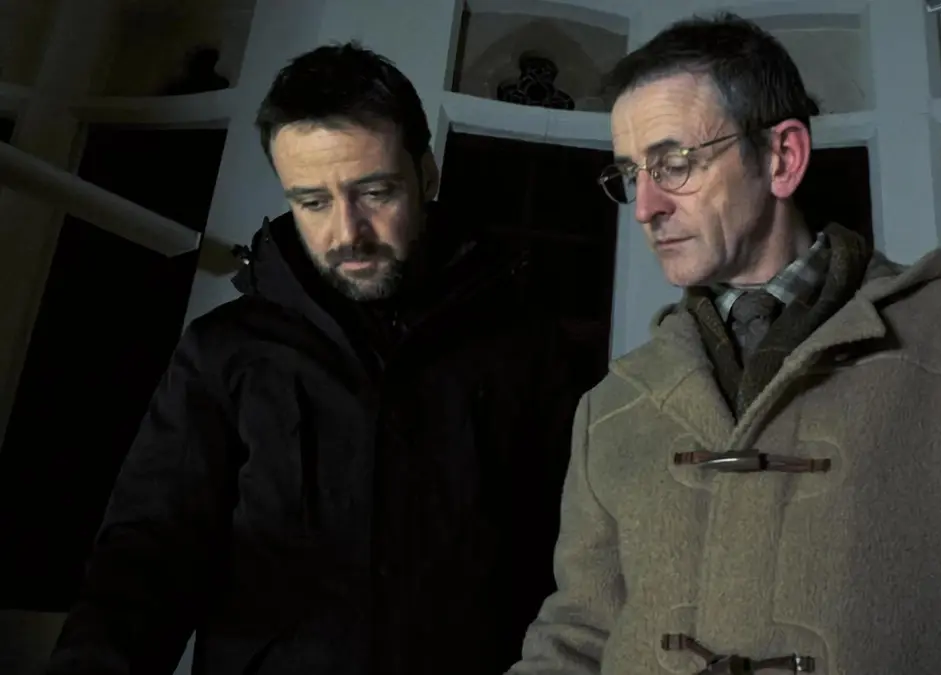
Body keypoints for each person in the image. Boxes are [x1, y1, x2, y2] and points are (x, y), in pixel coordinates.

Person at [510, 13, 941, 675]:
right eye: (631, 174)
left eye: (674, 163)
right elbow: (576, 637)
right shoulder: (611, 407)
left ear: (781, 158)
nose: (645, 207)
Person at [46, 43, 577, 675]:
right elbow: (145, 560)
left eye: (374, 192)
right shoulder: (223, 352)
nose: (346, 233)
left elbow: (573, 565)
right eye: (312, 202)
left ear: (427, 175)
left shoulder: (525, 346)